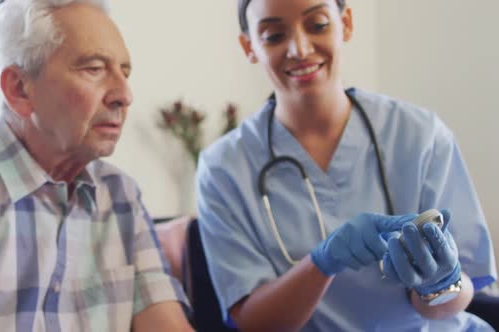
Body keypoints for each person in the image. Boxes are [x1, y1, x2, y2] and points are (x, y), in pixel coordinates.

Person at [196, 0, 497, 331]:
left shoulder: (420, 135)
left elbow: (460, 294)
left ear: (347, 23)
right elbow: (255, 323)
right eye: (274, 35)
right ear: (248, 46)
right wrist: (322, 262)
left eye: (318, 25)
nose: (299, 48)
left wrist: (440, 284)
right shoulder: (223, 168)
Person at [0, 1, 194, 331]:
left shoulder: (121, 196)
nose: (123, 94)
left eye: (125, 72)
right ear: (19, 89)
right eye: (94, 69)